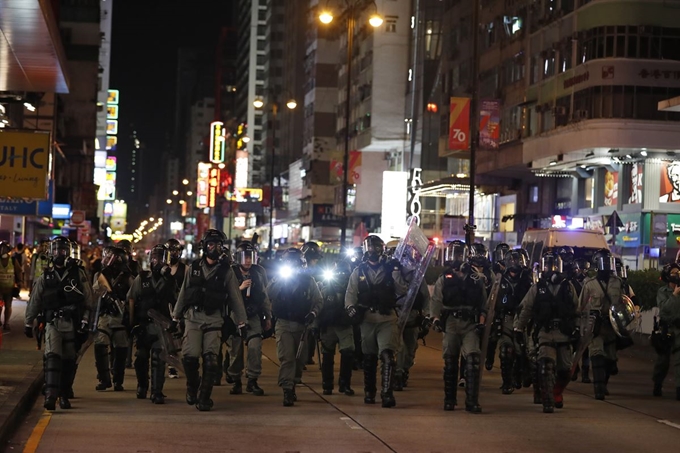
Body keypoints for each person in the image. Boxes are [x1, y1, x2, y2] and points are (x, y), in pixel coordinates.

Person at [171, 229, 247, 411]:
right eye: (211, 244)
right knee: (189, 357)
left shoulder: (226, 272)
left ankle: (204, 397)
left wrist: (242, 322)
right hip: (193, 317)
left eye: (219, 245)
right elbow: (183, 292)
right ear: (205, 246)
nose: (215, 248)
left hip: (214, 319)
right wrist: (176, 316)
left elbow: (235, 297)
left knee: (211, 361)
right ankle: (192, 386)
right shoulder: (194, 268)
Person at [24, 237, 94, 410]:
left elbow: (88, 301)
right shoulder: (45, 276)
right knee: (53, 356)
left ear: (68, 253)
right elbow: (35, 300)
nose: (59, 254)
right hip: (53, 323)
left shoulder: (78, 274)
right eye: (56, 250)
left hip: (72, 324)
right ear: (50, 252)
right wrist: (28, 322)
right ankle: (50, 396)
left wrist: (86, 321)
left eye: (62, 250)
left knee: (69, 360)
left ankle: (64, 394)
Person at [345, 235, 410, 409]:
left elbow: (403, 290)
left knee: (387, 356)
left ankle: (387, 393)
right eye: (369, 248)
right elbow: (350, 294)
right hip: (367, 319)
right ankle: (369, 391)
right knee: (369, 358)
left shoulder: (391, 269)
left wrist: (397, 273)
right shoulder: (358, 271)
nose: (372, 251)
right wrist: (350, 308)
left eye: (375, 248)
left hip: (387, 318)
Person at [514, 250, 579, 413]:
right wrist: (518, 327)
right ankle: (547, 400)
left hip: (564, 332)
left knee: (565, 369)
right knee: (545, 365)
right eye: (548, 265)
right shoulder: (537, 288)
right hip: (545, 331)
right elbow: (526, 309)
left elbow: (577, 310)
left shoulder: (568, 287)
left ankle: (556, 392)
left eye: (554, 265)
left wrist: (578, 328)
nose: (551, 269)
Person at [429, 240, 487, 412]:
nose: (457, 258)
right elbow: (436, 301)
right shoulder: (444, 279)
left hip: (470, 324)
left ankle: (471, 401)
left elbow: (483, 305)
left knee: (473, 360)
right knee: (450, 361)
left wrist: (481, 324)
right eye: (454, 254)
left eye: (460, 254)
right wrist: (435, 319)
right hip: (451, 323)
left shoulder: (476, 278)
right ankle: (450, 399)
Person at [267, 248, 323, 406]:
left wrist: (313, 313)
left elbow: (318, 300)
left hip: (302, 325)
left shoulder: (309, 280)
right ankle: (287, 389)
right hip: (283, 323)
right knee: (287, 357)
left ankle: (293, 382)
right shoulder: (279, 279)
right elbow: (268, 294)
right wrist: (280, 280)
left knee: (300, 360)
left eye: (295, 262)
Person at [128, 245, 177, 403]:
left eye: (161, 259)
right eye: (155, 258)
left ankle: (157, 392)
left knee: (158, 358)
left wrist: (177, 323)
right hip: (143, 326)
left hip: (160, 327)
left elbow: (177, 301)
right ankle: (142, 385)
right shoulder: (141, 278)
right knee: (141, 358)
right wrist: (130, 323)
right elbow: (131, 300)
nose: (157, 262)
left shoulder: (170, 281)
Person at [227, 241, 272, 396]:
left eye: (250, 256)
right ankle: (236, 380)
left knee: (255, 347)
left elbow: (264, 296)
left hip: (253, 316)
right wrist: (239, 289)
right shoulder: (230, 272)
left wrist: (267, 316)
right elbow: (223, 295)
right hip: (235, 316)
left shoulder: (259, 273)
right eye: (245, 257)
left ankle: (252, 380)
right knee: (236, 350)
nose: (247, 260)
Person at [579, 248, 623, 400]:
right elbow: (581, 306)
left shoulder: (618, 283)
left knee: (611, 360)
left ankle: (604, 383)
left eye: (608, 262)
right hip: (595, 325)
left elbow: (623, 303)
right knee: (597, 356)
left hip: (612, 325)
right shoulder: (589, 284)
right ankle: (598, 389)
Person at [487, 250, 532, 394]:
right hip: (505, 319)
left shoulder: (529, 281)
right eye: (512, 261)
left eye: (518, 261)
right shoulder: (499, 280)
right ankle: (507, 382)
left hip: (523, 320)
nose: (515, 264)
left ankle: (519, 375)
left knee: (522, 351)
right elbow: (491, 301)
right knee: (506, 350)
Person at [92, 246, 134, 392]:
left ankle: (118, 380)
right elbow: (95, 290)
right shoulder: (101, 275)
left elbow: (133, 296)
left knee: (121, 349)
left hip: (120, 318)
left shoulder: (128, 277)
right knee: (100, 345)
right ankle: (104, 379)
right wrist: (106, 295)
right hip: (105, 316)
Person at [318, 260, 355, 396]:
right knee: (327, 355)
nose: (341, 275)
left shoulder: (351, 287)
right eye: (338, 272)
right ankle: (327, 385)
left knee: (348, 353)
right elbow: (318, 305)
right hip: (329, 326)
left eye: (344, 272)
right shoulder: (326, 287)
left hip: (345, 325)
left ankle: (344, 384)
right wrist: (315, 326)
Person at [652, 262, 680, 400]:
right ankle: (657, 383)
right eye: (673, 273)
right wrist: (675, 295)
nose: (676, 275)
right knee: (663, 361)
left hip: (679, 329)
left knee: (679, 360)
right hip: (667, 329)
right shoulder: (663, 292)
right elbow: (665, 310)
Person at [165, 238, 186, 379]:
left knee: (183, 336)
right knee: (168, 336)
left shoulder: (185, 269)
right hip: (165, 306)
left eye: (175, 250)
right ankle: (171, 365)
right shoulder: (160, 267)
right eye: (170, 250)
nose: (173, 253)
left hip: (181, 306)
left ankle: (181, 362)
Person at [301, 241, 324, 366]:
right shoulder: (299, 267)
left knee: (312, 329)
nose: (315, 261)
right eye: (313, 259)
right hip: (301, 302)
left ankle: (308, 355)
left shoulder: (319, 270)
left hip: (315, 301)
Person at [1, 241, 22, 330]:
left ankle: (6, 323)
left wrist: (19, 283)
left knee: (8, 306)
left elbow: (18, 271)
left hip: (9, 289)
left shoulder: (13, 261)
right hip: (0, 288)